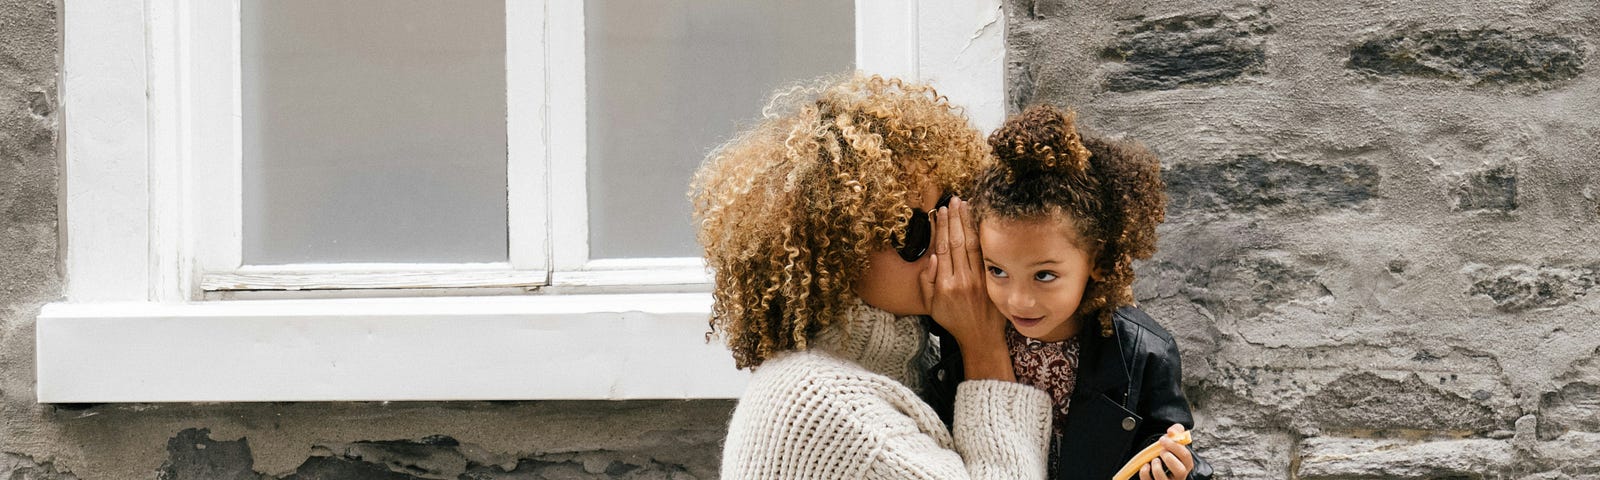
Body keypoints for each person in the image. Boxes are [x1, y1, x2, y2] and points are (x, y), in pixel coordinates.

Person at [691, 74, 1054, 479]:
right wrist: (983, 346)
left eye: (952, 206)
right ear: (836, 252)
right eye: (910, 229)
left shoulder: (910, 363)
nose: (949, 241)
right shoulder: (822, 404)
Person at [926, 105, 1215, 480]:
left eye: (1044, 275)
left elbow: (1172, 444)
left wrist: (1179, 469)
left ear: (1097, 259)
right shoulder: (961, 335)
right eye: (997, 270)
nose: (1018, 300)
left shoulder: (1145, 352)